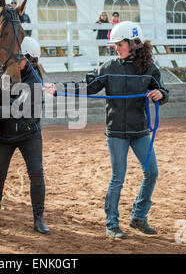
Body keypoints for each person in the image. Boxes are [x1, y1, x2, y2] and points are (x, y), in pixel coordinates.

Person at [44, 21, 169, 239]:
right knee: (117, 178)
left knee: (152, 172)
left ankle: (139, 216)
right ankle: (111, 223)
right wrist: (59, 89)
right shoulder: (109, 68)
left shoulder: (150, 69)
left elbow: (161, 89)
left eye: (120, 44)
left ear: (134, 44)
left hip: (140, 131)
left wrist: (161, 95)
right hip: (116, 133)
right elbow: (87, 86)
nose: (116, 48)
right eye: (115, 45)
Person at [0, 36, 51, 235]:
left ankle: (38, 217)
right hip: (4, 135)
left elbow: (13, 108)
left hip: (29, 134)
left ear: (30, 60)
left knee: (36, 175)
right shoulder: (2, 72)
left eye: (19, 57)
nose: (14, 60)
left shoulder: (35, 81)